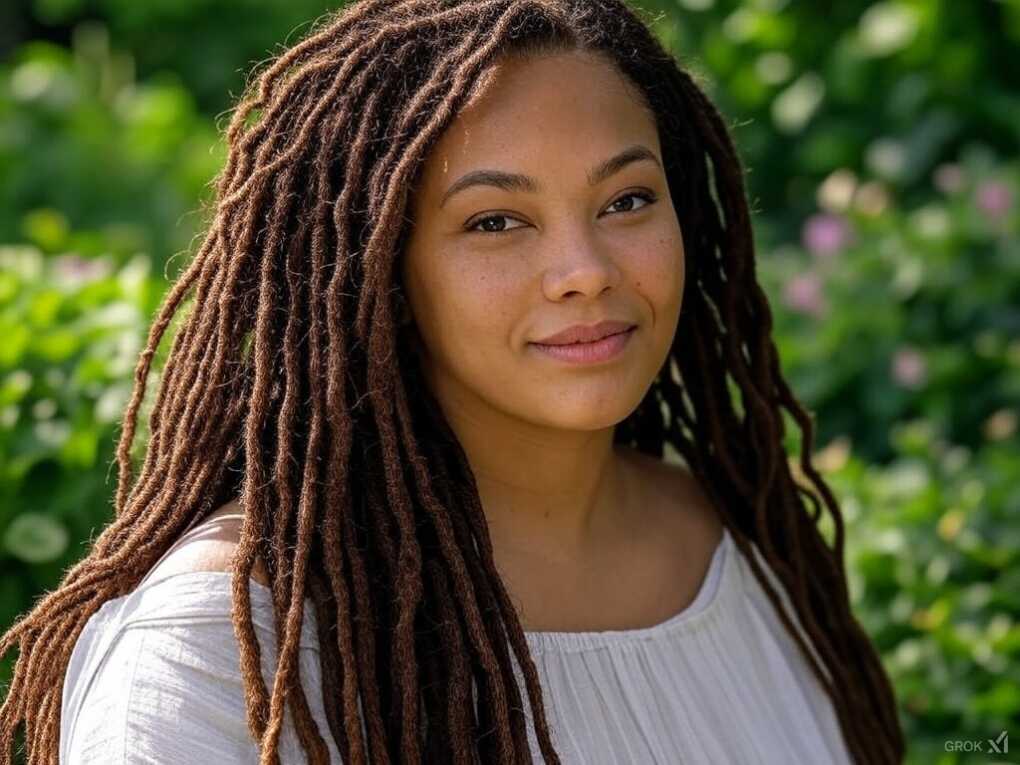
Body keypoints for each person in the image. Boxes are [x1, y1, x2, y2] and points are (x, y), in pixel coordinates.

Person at [0, 0, 905, 762]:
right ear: (380, 271)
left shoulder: (737, 547)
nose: (584, 269)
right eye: (497, 220)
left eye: (627, 200)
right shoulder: (220, 650)